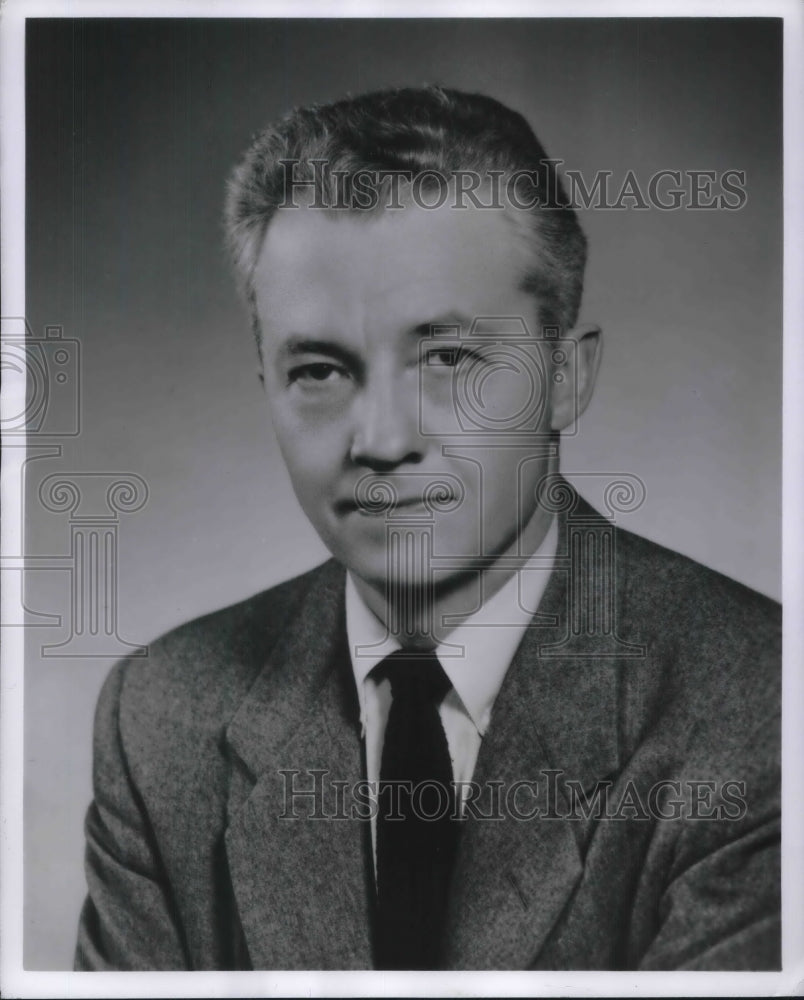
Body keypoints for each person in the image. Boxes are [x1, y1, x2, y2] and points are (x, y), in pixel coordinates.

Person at [74, 86, 780, 971]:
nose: (382, 440)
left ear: (566, 378)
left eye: (448, 359)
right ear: (265, 383)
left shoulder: (764, 712)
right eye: (322, 369)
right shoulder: (160, 716)